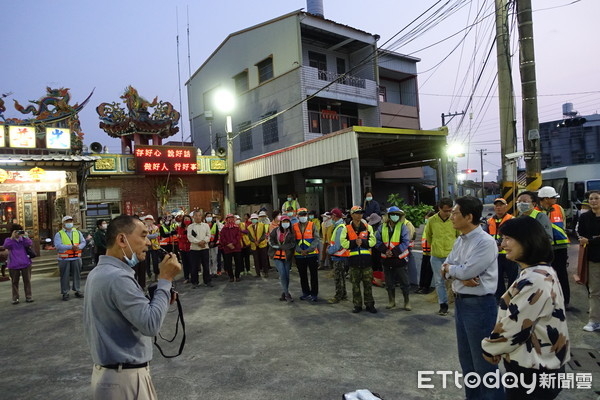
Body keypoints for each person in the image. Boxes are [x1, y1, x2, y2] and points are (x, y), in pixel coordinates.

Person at [83, 215, 181, 399]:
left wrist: (160, 294)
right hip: (124, 380)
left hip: (112, 375)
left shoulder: (99, 272)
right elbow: (150, 324)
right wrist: (165, 279)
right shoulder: (118, 278)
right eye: (143, 236)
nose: (148, 243)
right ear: (122, 239)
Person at [482, 217, 570, 399]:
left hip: (534, 371)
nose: (503, 244)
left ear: (527, 241)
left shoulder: (534, 280)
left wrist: (490, 348)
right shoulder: (540, 271)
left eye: (508, 238)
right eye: (502, 238)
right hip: (542, 367)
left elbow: (517, 326)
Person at [440, 196, 503, 400]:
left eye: (455, 213)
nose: (451, 217)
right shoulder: (461, 240)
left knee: (484, 363)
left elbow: (465, 271)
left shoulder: (485, 242)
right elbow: (446, 267)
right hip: (462, 303)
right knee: (467, 361)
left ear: (468, 217)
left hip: (480, 306)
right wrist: (456, 272)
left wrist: (456, 272)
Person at [537, 186, 571, 307]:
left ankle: (565, 301)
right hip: (544, 249)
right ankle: (546, 301)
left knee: (562, 274)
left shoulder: (559, 208)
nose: (555, 200)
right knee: (544, 275)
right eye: (553, 197)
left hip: (560, 248)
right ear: (545, 199)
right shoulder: (536, 212)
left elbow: (564, 224)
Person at [423, 198, 458, 315]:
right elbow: (428, 236)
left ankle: (457, 303)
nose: (448, 213)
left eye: (450, 210)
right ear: (439, 208)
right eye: (446, 210)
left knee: (456, 280)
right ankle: (443, 305)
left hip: (452, 257)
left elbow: (459, 236)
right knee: (439, 282)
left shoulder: (455, 219)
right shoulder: (432, 221)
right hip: (436, 256)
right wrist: (436, 246)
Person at [341, 205, 377, 313]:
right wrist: (353, 243)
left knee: (368, 285)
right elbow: (343, 243)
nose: (359, 215)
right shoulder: (346, 228)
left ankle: (370, 304)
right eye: (357, 213)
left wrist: (364, 243)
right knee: (355, 286)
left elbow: (373, 241)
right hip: (354, 261)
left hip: (366, 261)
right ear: (352, 215)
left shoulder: (368, 227)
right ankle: (357, 305)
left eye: (361, 213)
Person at [376, 207, 411, 310]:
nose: (395, 217)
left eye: (397, 215)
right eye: (393, 214)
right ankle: (391, 301)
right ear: (389, 216)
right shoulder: (381, 227)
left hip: (399, 259)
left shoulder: (403, 227)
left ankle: (407, 302)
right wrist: (385, 250)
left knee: (404, 282)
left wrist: (394, 252)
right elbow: (377, 241)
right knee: (389, 282)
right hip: (386, 259)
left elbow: (406, 242)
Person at [485, 197, 519, 300]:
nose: (498, 207)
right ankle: (500, 298)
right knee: (497, 277)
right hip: (495, 255)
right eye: (496, 205)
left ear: (506, 207)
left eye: (501, 205)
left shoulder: (512, 219)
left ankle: (511, 297)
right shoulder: (489, 221)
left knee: (512, 277)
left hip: (510, 254)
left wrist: (501, 245)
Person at [577, 190, 600, 332]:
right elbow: (580, 235)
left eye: (596, 198)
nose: (593, 201)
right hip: (593, 259)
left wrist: (591, 240)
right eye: (591, 198)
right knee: (595, 292)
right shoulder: (584, 217)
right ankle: (594, 321)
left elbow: (588, 239)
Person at [54, 216, 86, 301]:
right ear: (63, 223)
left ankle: (77, 290)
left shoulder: (77, 232)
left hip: (76, 257)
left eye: (71, 221)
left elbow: (83, 242)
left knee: (77, 275)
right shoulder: (59, 234)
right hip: (64, 259)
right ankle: (65, 292)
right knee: (65, 276)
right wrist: (70, 247)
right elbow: (58, 245)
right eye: (67, 221)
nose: (69, 223)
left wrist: (79, 247)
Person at [294, 208, 321, 301]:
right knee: (302, 275)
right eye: (301, 215)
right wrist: (300, 250)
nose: (303, 217)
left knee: (314, 275)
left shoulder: (312, 225)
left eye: (305, 215)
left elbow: (316, 239)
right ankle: (305, 292)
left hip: (312, 254)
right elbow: (293, 241)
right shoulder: (294, 227)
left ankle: (314, 294)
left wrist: (309, 250)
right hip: (299, 255)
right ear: (298, 216)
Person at [3, 224, 33, 304]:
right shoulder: (9, 240)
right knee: (14, 282)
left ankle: (28, 296)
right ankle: (15, 298)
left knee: (27, 281)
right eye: (16, 231)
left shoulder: (23, 239)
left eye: (19, 231)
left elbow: (29, 243)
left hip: (25, 262)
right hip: (14, 264)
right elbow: (6, 246)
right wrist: (12, 237)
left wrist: (25, 236)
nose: (17, 233)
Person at [268, 215, 296, 301]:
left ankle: (285, 292)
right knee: (282, 274)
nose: (285, 223)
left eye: (287, 222)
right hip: (277, 256)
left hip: (287, 256)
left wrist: (282, 247)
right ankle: (287, 294)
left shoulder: (291, 233)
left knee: (286, 275)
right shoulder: (275, 231)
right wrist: (276, 246)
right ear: (280, 223)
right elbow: (270, 240)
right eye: (284, 222)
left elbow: (292, 244)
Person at [326, 208, 349, 304]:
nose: (330, 217)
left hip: (339, 256)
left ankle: (338, 295)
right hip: (341, 256)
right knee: (342, 277)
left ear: (334, 216)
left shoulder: (340, 227)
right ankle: (343, 294)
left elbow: (338, 244)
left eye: (331, 216)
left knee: (338, 277)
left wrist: (329, 250)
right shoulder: (340, 226)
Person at [187, 212, 212, 287]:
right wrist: (198, 242)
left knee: (206, 266)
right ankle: (194, 282)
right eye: (196, 216)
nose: (198, 217)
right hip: (194, 249)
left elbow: (208, 235)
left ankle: (207, 281)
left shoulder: (206, 225)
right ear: (193, 217)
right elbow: (190, 237)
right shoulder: (190, 227)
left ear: (201, 217)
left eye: (199, 216)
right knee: (194, 266)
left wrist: (204, 241)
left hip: (205, 248)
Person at [416, 210, 436, 294]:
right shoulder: (426, 226)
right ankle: (421, 286)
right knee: (423, 270)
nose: (426, 220)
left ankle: (426, 288)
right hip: (425, 252)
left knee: (428, 271)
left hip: (432, 252)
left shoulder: (434, 226)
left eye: (427, 218)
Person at [220, 214, 243, 282]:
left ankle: (237, 276)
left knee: (238, 262)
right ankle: (231, 277)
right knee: (228, 263)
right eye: (228, 218)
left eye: (231, 218)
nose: (230, 220)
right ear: (226, 219)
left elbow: (238, 236)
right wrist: (228, 244)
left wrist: (233, 243)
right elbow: (222, 238)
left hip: (236, 247)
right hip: (227, 248)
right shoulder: (224, 228)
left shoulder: (237, 227)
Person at [247, 213, 270, 277]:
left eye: (255, 219)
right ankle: (258, 273)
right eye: (252, 219)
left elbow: (264, 234)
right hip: (254, 245)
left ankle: (266, 272)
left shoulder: (262, 225)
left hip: (262, 244)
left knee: (264, 259)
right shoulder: (249, 227)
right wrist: (254, 241)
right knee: (256, 259)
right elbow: (250, 236)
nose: (254, 220)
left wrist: (259, 241)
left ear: (257, 219)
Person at [142, 215, 161, 282]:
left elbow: (156, 235)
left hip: (154, 246)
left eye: (150, 220)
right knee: (147, 261)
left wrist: (148, 236)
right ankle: (149, 273)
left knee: (155, 261)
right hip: (146, 246)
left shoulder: (155, 227)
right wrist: (149, 236)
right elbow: (143, 236)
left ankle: (156, 274)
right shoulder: (143, 228)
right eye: (147, 220)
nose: (149, 222)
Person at [177, 215, 193, 283]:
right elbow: (179, 237)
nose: (186, 220)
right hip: (183, 248)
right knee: (185, 264)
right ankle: (186, 277)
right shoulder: (180, 228)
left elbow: (191, 237)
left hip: (190, 248)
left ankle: (193, 277)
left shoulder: (193, 227)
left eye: (188, 219)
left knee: (191, 263)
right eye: (185, 219)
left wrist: (184, 236)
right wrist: (184, 236)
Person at [205, 212, 220, 278]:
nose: (209, 217)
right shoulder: (204, 225)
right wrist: (207, 243)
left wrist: (213, 242)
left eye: (210, 216)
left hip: (214, 245)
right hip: (206, 245)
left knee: (214, 259)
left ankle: (214, 272)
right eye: (207, 216)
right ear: (205, 217)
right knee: (207, 259)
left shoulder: (215, 225)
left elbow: (217, 234)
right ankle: (209, 272)